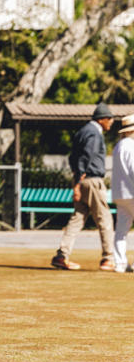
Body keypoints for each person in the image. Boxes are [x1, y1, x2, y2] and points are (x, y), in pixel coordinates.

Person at [51, 102, 115, 271]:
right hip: (92, 180)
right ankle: (108, 258)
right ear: (102, 119)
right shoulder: (94, 133)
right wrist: (79, 179)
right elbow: (86, 156)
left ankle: (61, 255)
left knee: (78, 218)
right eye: (110, 119)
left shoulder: (82, 131)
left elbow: (73, 157)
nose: (111, 122)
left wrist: (77, 179)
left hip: (81, 180)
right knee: (105, 219)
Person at [111, 114, 134, 272]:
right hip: (132, 192)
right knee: (122, 229)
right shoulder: (131, 146)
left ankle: (120, 263)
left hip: (120, 193)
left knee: (121, 230)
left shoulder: (118, 146)